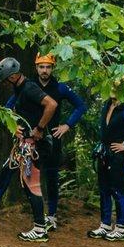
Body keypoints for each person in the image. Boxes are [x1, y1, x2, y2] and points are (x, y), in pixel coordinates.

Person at [0, 58, 58, 241]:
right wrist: (16, 126)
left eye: (7, 80)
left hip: (36, 145)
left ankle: (39, 228)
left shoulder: (29, 88)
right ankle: (39, 224)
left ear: (13, 76)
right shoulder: (20, 90)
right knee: (16, 174)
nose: (6, 84)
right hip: (27, 144)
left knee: (32, 184)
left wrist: (39, 128)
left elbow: (51, 104)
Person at [31, 54, 86, 228]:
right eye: (41, 67)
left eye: (48, 67)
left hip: (53, 139)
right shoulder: (29, 86)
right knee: (30, 176)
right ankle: (37, 216)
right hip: (32, 138)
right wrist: (15, 126)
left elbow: (81, 106)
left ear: (52, 68)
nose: (45, 70)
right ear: (36, 68)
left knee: (52, 177)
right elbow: (10, 105)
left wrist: (67, 125)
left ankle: (52, 216)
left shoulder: (61, 88)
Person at [87, 84, 124, 241]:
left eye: (118, 88)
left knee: (117, 189)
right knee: (104, 189)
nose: (113, 90)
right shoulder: (106, 105)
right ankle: (105, 224)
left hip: (118, 154)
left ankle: (121, 228)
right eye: (112, 87)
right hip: (104, 152)